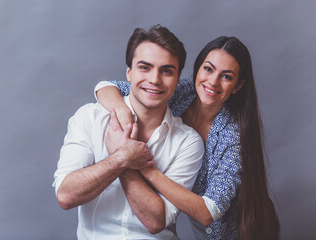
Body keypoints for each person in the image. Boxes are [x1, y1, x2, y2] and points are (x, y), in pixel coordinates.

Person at [95, 36, 280, 239]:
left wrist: (141, 165)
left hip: (230, 231)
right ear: (197, 69)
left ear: (237, 86)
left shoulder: (233, 136)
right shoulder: (182, 92)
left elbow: (209, 212)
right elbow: (106, 87)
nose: (213, 81)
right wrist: (122, 112)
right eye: (208, 69)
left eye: (226, 77)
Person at [53, 25, 204, 239]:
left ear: (178, 79)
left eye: (167, 71)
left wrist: (123, 156)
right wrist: (122, 158)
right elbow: (66, 196)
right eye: (144, 67)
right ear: (128, 72)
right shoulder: (89, 118)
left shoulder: (188, 142)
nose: (154, 79)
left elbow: (156, 221)